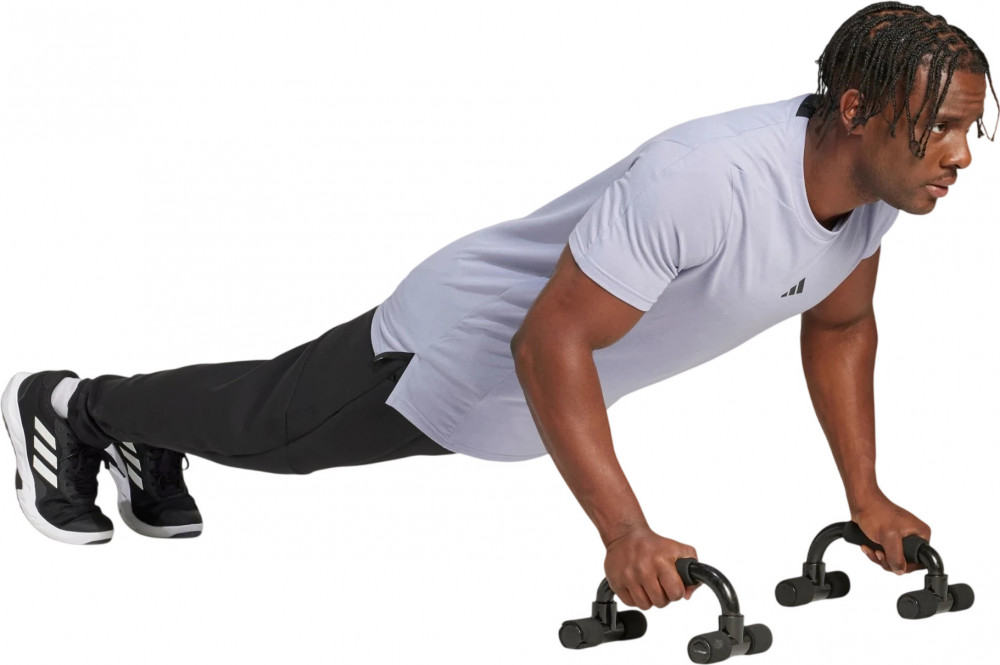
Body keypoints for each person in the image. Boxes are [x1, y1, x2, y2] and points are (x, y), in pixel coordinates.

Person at [3, 1, 995, 609]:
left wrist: (865, 494)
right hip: (457, 345)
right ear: (857, 109)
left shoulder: (874, 192)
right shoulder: (705, 177)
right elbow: (548, 339)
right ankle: (74, 405)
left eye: (969, 129)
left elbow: (839, 322)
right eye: (942, 127)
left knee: (264, 417)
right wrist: (625, 530)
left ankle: (143, 436)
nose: (959, 155)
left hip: (532, 395)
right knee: (269, 429)